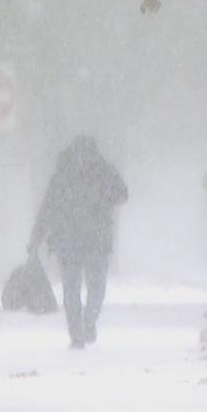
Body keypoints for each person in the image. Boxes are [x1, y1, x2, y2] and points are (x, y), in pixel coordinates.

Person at [27, 135, 128, 348]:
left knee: (74, 288)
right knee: (92, 287)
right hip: (91, 240)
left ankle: (80, 329)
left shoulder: (66, 175)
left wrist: (36, 238)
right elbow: (122, 194)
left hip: (72, 240)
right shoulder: (99, 173)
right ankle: (85, 323)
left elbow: (47, 209)